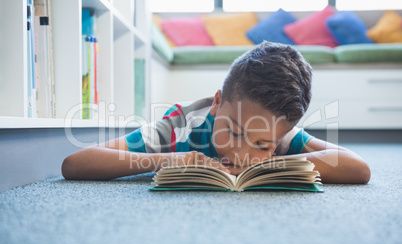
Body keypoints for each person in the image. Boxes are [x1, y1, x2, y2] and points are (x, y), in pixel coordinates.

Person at [62, 41, 371, 184]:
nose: (241, 152)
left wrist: (272, 162)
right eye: (234, 131)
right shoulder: (179, 126)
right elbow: (75, 163)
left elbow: (358, 168)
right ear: (217, 102)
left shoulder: (276, 130)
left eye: (261, 144)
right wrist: (168, 159)